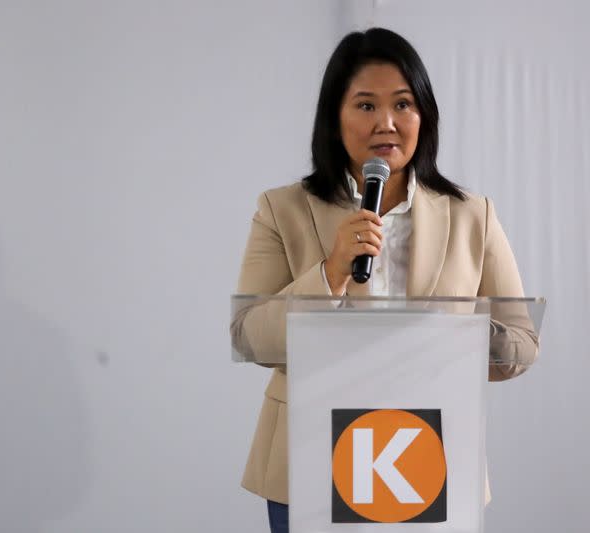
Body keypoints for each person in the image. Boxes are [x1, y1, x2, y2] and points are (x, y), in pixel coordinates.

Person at [231, 27, 538, 533]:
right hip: (312, 461)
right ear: (335, 117)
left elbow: (522, 345)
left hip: (429, 457)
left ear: (425, 117)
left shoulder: (471, 216)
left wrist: (458, 337)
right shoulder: (281, 209)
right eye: (366, 106)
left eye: (403, 104)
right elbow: (249, 335)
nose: (387, 123)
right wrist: (329, 275)